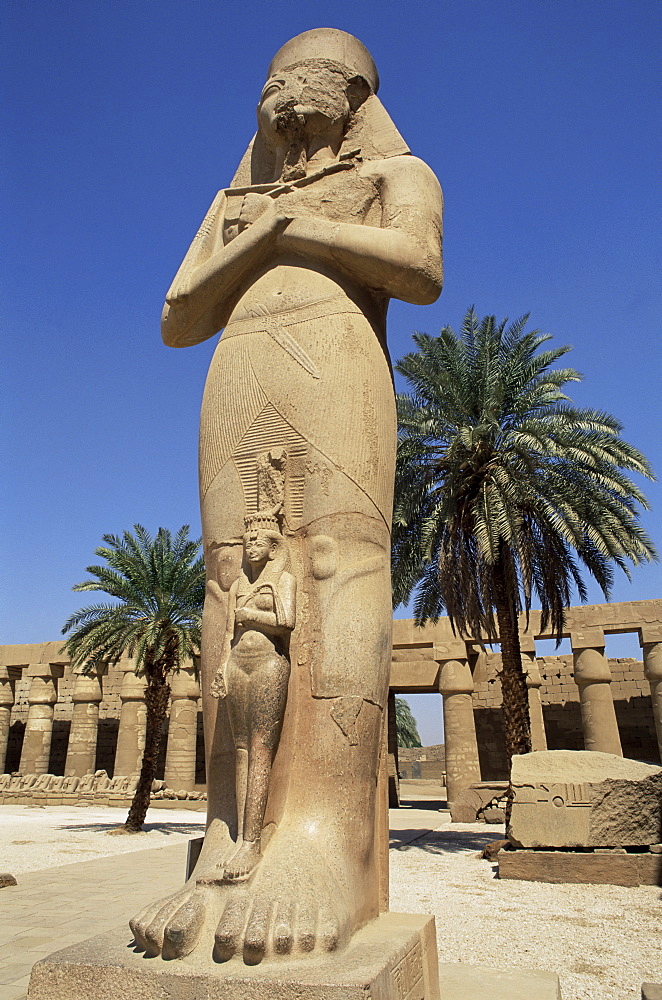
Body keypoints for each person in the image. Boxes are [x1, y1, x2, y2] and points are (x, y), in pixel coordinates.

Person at [131, 28, 442, 963]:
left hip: (339, 364)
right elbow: (179, 312)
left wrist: (288, 230)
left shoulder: (403, 172)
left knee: (338, 568)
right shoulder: (241, 196)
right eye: (273, 76)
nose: (283, 87)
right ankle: (228, 841)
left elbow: (420, 270)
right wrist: (260, 226)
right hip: (239, 372)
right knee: (229, 582)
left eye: (307, 72)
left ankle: (320, 845)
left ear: (355, 92)